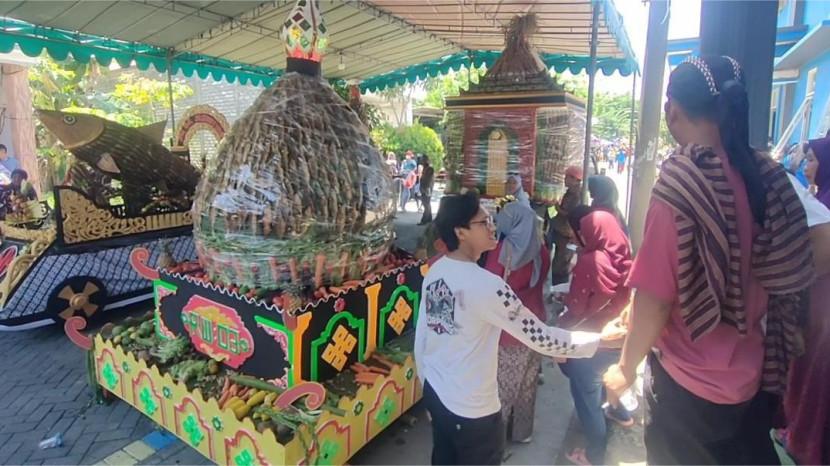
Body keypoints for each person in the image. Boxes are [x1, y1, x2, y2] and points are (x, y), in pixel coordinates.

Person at [603, 55, 814, 465]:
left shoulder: (681, 185)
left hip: (687, 390)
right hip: (753, 378)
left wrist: (625, 369)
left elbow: (656, 300)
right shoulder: (768, 177)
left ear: (672, 110)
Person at [415, 190, 623, 465]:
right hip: (472, 410)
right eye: (484, 222)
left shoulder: (436, 271)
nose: (493, 226)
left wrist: (426, 384)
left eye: (492, 219)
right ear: (460, 232)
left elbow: (423, 338)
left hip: (438, 395)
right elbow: (541, 337)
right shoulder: (487, 286)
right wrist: (599, 341)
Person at [558, 205, 632, 465]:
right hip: (618, 337)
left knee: (586, 399)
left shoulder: (591, 261)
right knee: (602, 382)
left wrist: (564, 308)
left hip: (591, 341)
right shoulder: (624, 255)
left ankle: (593, 455)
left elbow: (578, 307)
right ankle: (621, 414)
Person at [483, 201, 551, 445]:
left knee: (503, 387)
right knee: (527, 383)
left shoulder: (503, 251)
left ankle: (495, 439)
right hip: (535, 323)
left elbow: (490, 286)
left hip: (509, 329)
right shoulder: (541, 249)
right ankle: (522, 432)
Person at [783, 136, 830, 465]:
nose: (807, 167)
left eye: (813, 159)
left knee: (815, 378)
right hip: (816, 305)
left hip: (822, 310)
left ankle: (804, 441)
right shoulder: (820, 199)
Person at [546, 166, 582, 285]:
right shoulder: (570, 193)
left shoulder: (577, 195)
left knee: (561, 265)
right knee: (557, 262)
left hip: (568, 235)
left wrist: (555, 207)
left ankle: (559, 290)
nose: (565, 180)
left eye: (568, 177)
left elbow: (568, 213)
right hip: (560, 232)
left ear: (575, 179)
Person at [418, 157, 435, 225]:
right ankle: (429, 219)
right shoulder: (426, 169)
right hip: (425, 188)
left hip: (427, 188)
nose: (422, 162)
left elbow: (427, 180)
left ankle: (424, 220)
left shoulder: (429, 169)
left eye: (423, 161)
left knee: (426, 204)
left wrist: (424, 188)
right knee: (427, 204)